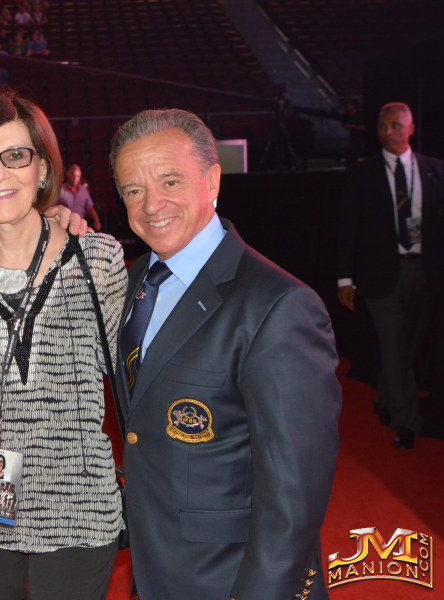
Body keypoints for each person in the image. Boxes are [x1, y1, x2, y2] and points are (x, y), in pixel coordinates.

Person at [111, 108, 339, 600]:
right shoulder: (132, 282)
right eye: (132, 190)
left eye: (170, 181)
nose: (151, 205)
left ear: (212, 180)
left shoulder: (279, 305)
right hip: (153, 569)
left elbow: (293, 498)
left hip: (230, 579)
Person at [0, 91, 123, 600]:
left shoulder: (98, 260)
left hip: (77, 502)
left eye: (16, 155)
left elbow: (130, 371)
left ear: (43, 169)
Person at [336, 101, 444, 449]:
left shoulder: (435, 170)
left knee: (408, 347)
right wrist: (345, 279)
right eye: (383, 127)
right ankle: (406, 422)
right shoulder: (362, 174)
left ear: (411, 128)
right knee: (394, 348)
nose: (389, 132)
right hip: (380, 276)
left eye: (396, 125)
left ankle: (386, 397)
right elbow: (348, 229)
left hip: (425, 272)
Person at [58, 164, 101, 231]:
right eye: (73, 175)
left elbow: (90, 207)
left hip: (81, 224)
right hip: (65, 224)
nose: (75, 178)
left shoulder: (83, 190)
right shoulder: (61, 190)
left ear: (80, 177)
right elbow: (54, 207)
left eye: (77, 176)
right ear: (68, 175)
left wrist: (96, 220)